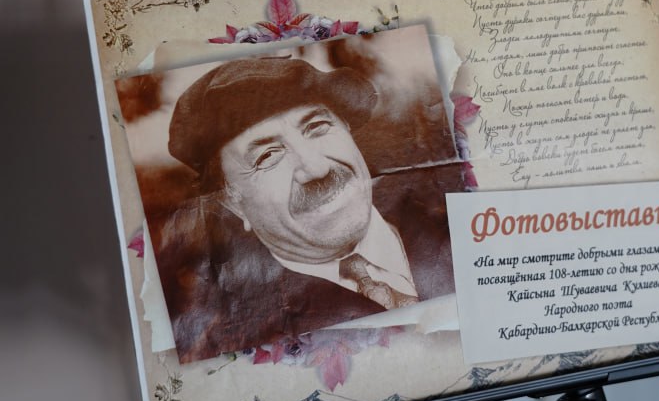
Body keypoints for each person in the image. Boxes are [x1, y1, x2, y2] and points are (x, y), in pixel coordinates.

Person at [154, 54, 459, 362]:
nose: (316, 168)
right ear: (233, 203)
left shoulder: (458, 221)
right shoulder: (237, 338)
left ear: (347, 131)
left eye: (317, 127)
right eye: (268, 156)